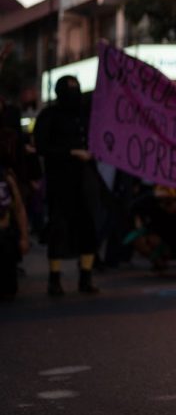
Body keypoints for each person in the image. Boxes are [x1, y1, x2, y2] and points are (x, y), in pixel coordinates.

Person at [33, 76, 101, 296]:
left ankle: (86, 276)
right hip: (60, 180)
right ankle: (54, 279)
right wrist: (71, 153)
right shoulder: (49, 116)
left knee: (89, 226)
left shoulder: (87, 115)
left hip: (85, 179)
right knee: (58, 228)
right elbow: (42, 148)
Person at [0, 156, 30, 301]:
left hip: (4, 236)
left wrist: (24, 237)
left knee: (9, 290)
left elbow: (18, 208)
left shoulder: (6, 177)